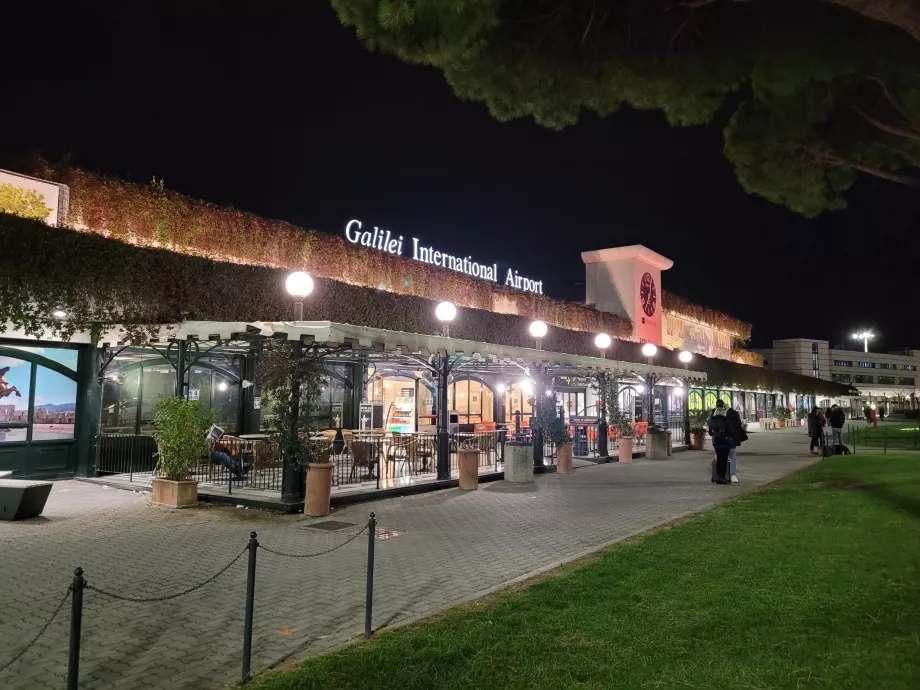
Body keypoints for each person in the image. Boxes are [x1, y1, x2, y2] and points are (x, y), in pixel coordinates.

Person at [708, 401, 735, 484]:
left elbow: (710, 432)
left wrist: (715, 434)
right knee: (724, 459)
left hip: (716, 443)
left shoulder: (712, 421)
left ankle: (718, 477)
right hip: (725, 443)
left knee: (719, 459)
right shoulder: (726, 420)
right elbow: (730, 432)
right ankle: (723, 477)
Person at [725, 402, 747, 483]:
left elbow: (737, 424)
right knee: (727, 456)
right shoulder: (717, 413)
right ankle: (726, 474)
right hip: (723, 440)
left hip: (730, 439)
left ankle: (732, 474)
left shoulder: (734, 414)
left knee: (731, 455)